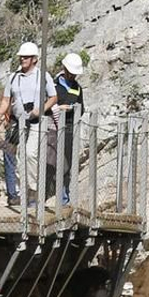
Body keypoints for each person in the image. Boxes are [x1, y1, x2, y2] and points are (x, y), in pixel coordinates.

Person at [0, 39, 55, 206]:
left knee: (30, 154)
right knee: (11, 154)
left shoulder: (43, 76)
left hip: (36, 122)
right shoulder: (13, 77)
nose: (22, 59)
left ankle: (32, 190)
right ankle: (16, 193)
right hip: (17, 121)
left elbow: (53, 97)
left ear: (34, 59)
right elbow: (6, 99)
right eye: (21, 57)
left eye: (26, 57)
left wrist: (41, 109)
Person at [54, 51, 85, 198]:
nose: (73, 76)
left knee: (67, 163)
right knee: (51, 162)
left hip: (69, 129)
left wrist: (72, 109)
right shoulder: (53, 85)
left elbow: (82, 108)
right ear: (64, 69)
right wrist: (59, 108)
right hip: (52, 128)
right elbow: (45, 105)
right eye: (71, 72)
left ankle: (64, 196)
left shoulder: (77, 88)